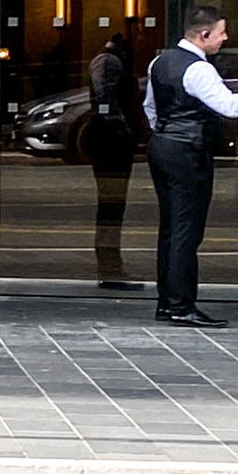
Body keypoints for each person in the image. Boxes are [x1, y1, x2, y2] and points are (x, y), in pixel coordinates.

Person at [142, 5, 238, 329]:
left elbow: (150, 107)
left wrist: (166, 133)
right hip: (189, 150)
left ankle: (167, 302)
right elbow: (229, 106)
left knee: (170, 227)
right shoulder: (198, 69)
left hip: (163, 145)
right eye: (222, 32)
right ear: (204, 35)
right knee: (187, 229)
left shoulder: (160, 61)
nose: (225, 38)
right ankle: (182, 304)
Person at [86, 32, 142, 287]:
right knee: (110, 205)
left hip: (113, 141)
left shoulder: (112, 61)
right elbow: (105, 101)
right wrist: (125, 132)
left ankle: (110, 266)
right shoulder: (109, 62)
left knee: (112, 205)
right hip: (111, 143)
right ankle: (108, 268)